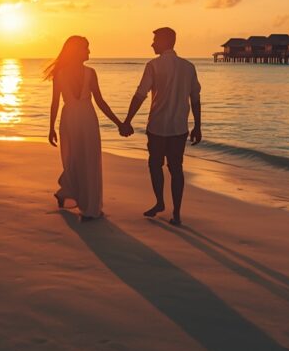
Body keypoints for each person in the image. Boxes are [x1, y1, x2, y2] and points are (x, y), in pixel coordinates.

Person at [122, 27, 201, 226]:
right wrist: (198, 126)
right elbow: (195, 99)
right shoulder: (188, 67)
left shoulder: (153, 66)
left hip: (157, 126)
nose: (152, 44)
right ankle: (176, 213)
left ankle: (159, 202)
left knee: (155, 165)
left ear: (166, 41)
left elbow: (140, 95)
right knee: (176, 168)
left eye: (155, 40)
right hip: (178, 127)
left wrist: (127, 120)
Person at [46, 36, 128, 222]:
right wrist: (50, 128)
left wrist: (119, 123)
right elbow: (55, 103)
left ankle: (77, 199)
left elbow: (100, 101)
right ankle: (80, 200)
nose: (89, 52)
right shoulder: (62, 74)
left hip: (80, 119)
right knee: (76, 160)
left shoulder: (90, 73)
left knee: (85, 159)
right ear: (76, 51)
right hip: (76, 120)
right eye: (86, 48)